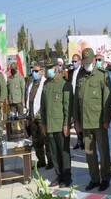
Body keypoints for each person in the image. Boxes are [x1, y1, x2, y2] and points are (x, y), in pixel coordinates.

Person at [73, 48, 111, 192]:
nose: (87, 65)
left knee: (103, 151)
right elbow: (76, 100)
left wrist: (106, 119)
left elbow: (107, 100)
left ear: (95, 61)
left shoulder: (103, 75)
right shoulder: (80, 76)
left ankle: (105, 178)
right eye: (85, 62)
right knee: (89, 153)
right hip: (85, 121)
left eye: (89, 62)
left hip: (99, 121)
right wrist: (76, 121)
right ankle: (94, 179)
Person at [40, 56, 73, 187]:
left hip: (60, 124)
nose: (48, 70)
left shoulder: (65, 84)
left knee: (64, 152)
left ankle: (67, 177)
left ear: (56, 68)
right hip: (49, 124)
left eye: (50, 68)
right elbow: (43, 106)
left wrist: (66, 124)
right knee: (54, 153)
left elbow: (67, 106)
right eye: (47, 68)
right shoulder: (46, 84)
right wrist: (43, 123)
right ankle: (58, 176)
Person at [26, 63, 53, 169]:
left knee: (46, 140)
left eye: (36, 71)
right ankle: (41, 160)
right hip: (32, 116)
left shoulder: (45, 83)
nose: (34, 73)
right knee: (36, 141)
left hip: (41, 117)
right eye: (33, 71)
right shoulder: (31, 83)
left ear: (42, 71)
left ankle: (50, 161)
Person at [68, 54, 84, 150]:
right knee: (75, 121)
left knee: (82, 120)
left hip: (80, 99)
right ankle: (79, 140)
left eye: (75, 61)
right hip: (73, 99)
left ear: (79, 61)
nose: (74, 63)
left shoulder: (83, 71)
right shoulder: (70, 73)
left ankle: (84, 141)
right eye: (72, 61)